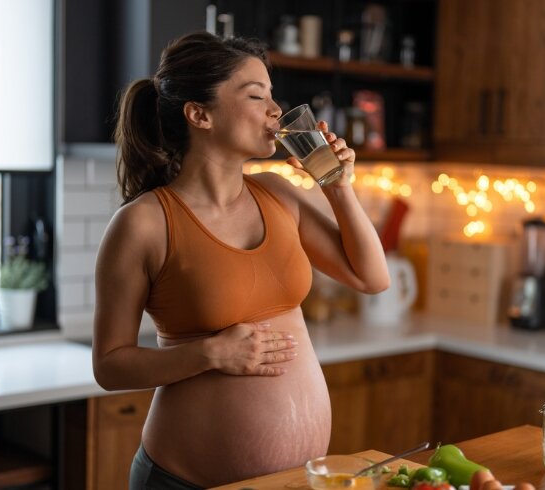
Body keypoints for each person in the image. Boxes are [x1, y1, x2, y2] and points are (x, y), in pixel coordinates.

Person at [93, 31, 390, 489]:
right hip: (185, 481)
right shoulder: (144, 223)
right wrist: (210, 353)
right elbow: (109, 365)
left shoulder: (279, 193)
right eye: (256, 96)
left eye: (273, 96)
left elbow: (372, 277)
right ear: (199, 114)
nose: (275, 111)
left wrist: (338, 185)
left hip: (293, 481)